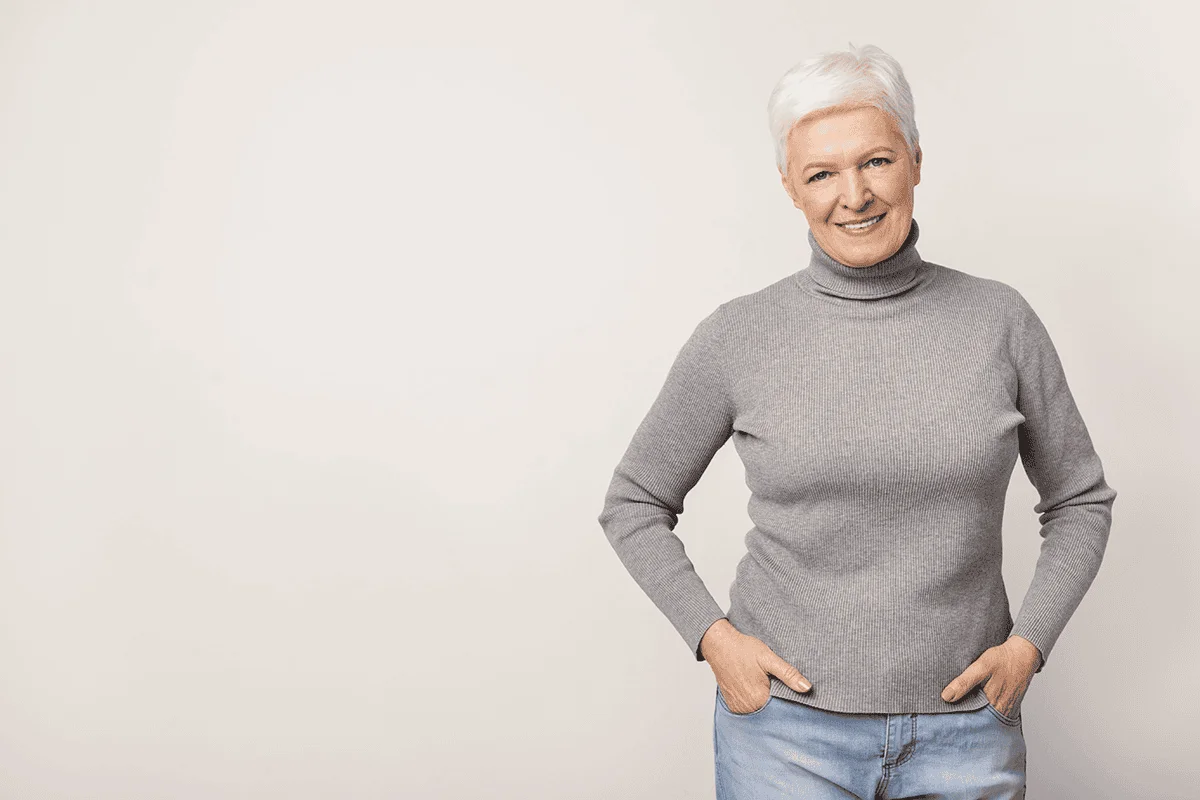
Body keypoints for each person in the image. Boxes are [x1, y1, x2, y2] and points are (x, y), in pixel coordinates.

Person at [596, 42, 1117, 799]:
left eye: (875, 161)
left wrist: (1028, 646)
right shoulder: (739, 334)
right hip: (784, 735)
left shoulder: (1000, 321)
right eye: (821, 174)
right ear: (790, 188)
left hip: (967, 728)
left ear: (913, 160)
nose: (855, 195)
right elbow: (634, 502)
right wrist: (715, 642)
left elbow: (1080, 500)